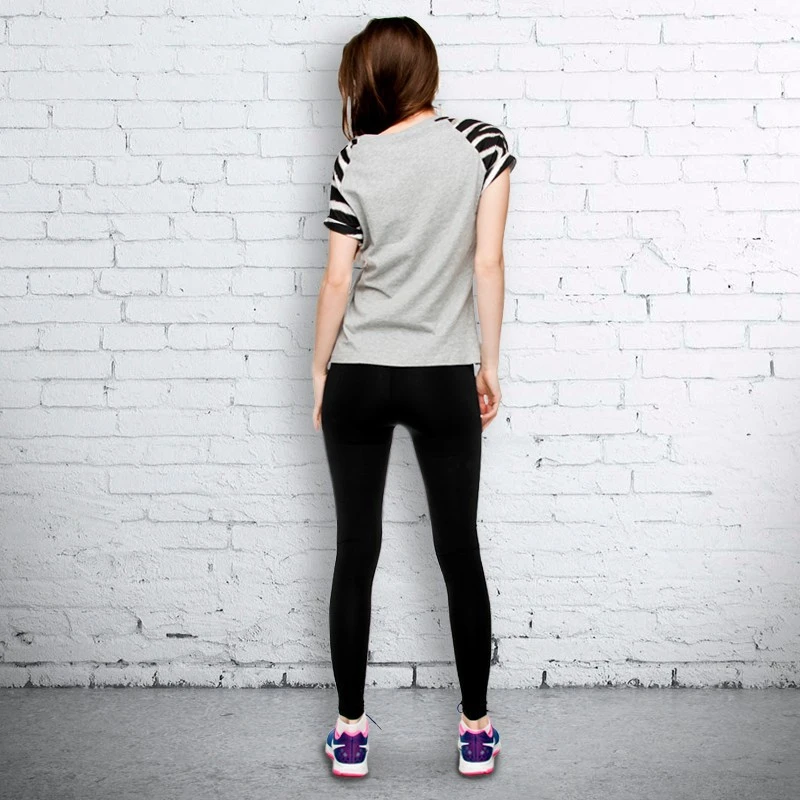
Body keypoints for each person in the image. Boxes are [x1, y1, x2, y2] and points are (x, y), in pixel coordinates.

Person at [311, 16, 515, 779]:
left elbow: (338, 278)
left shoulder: (355, 157)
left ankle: (350, 733)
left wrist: (319, 371)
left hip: (360, 371)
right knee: (459, 550)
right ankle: (475, 729)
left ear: (368, 79)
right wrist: (488, 363)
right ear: (424, 71)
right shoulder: (483, 144)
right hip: (442, 372)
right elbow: (487, 263)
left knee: (354, 552)